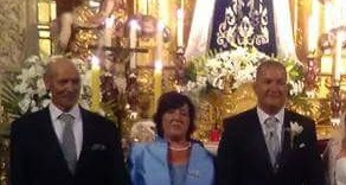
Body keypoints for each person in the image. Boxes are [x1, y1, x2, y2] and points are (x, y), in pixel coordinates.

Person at [10, 57, 129, 185]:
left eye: (75, 82)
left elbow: (119, 178)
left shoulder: (105, 128)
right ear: (47, 83)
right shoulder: (25, 129)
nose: (70, 88)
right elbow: (19, 178)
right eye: (63, 82)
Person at [216, 60, 324, 185]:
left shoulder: (305, 127)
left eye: (280, 83)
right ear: (255, 88)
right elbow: (225, 179)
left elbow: (316, 177)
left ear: (287, 88)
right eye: (267, 82)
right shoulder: (235, 128)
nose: (274, 88)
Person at [128, 91, 215, 185]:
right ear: (160, 117)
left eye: (183, 114)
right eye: (170, 112)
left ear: (190, 121)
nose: (177, 117)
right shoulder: (140, 154)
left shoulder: (207, 158)